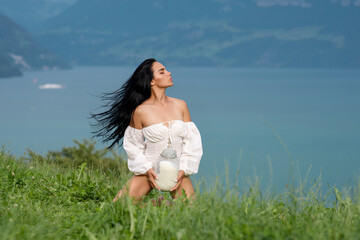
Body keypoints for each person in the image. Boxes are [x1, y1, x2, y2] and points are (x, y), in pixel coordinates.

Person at [91, 58, 203, 202]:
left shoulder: (181, 105)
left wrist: (184, 169)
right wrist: (146, 169)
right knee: (118, 207)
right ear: (151, 81)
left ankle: (164, 206)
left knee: (190, 213)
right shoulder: (140, 111)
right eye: (162, 72)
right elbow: (133, 145)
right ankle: (155, 205)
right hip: (149, 171)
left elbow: (192, 142)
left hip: (177, 172)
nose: (169, 73)